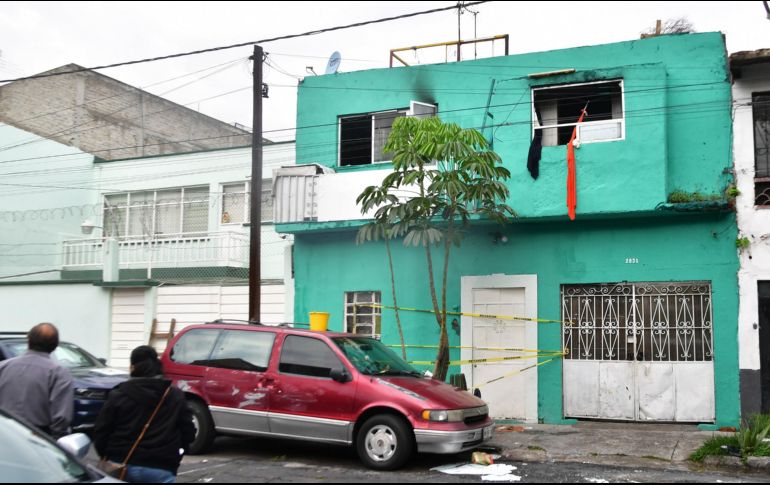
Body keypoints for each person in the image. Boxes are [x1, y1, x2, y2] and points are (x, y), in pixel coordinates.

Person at [93, 345, 195, 483]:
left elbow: (102, 430)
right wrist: (179, 452)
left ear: (132, 367)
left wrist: (105, 455)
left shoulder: (119, 394)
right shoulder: (174, 395)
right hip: (161, 466)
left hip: (121, 463)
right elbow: (188, 431)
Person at [0, 322, 74, 439]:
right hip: (37, 438)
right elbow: (61, 417)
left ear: (28, 340)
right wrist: (56, 441)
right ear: (55, 346)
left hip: (5, 434)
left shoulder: (3, 366)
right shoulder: (58, 373)